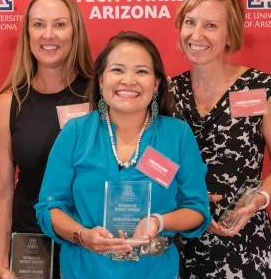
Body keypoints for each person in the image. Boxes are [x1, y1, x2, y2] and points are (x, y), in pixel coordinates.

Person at [35, 31, 211, 279]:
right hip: (84, 271)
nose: (129, 80)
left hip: (155, 272)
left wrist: (159, 222)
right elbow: (50, 208)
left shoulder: (177, 135)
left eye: (141, 71)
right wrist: (83, 236)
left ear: (157, 82)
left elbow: (197, 209)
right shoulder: (75, 133)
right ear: (100, 79)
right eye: (117, 70)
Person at [170, 0, 271, 279]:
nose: (196, 35)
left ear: (230, 35)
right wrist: (181, 195)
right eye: (190, 22)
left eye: (210, 25)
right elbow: (149, 161)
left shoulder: (261, 88)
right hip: (177, 239)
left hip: (242, 240)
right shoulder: (166, 92)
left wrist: (258, 199)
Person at [0, 0, 94, 279]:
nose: (49, 34)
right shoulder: (8, 103)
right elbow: (0, 192)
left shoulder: (100, 96)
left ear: (75, 32)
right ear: (28, 34)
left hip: (91, 242)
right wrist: (1, 263)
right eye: (39, 24)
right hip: (32, 247)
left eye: (60, 24)